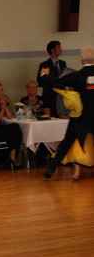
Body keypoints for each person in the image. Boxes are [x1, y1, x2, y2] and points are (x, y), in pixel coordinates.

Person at [44, 47, 94, 180]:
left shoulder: (77, 75)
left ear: (82, 60)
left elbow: (56, 83)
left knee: (66, 143)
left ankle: (51, 168)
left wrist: (68, 90)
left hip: (80, 117)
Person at [37, 40, 68, 117]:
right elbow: (42, 80)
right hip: (50, 96)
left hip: (61, 96)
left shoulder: (63, 63)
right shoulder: (46, 65)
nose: (61, 49)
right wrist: (57, 81)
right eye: (59, 47)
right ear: (52, 50)